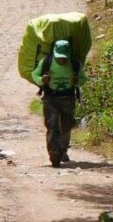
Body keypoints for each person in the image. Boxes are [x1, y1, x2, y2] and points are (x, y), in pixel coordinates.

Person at [31, 38, 86, 167]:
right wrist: (42, 80)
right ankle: (54, 154)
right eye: (59, 57)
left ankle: (63, 150)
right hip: (51, 98)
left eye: (64, 58)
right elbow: (34, 75)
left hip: (68, 98)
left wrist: (76, 81)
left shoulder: (75, 63)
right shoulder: (46, 62)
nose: (62, 60)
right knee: (52, 126)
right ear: (54, 53)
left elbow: (83, 80)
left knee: (66, 127)